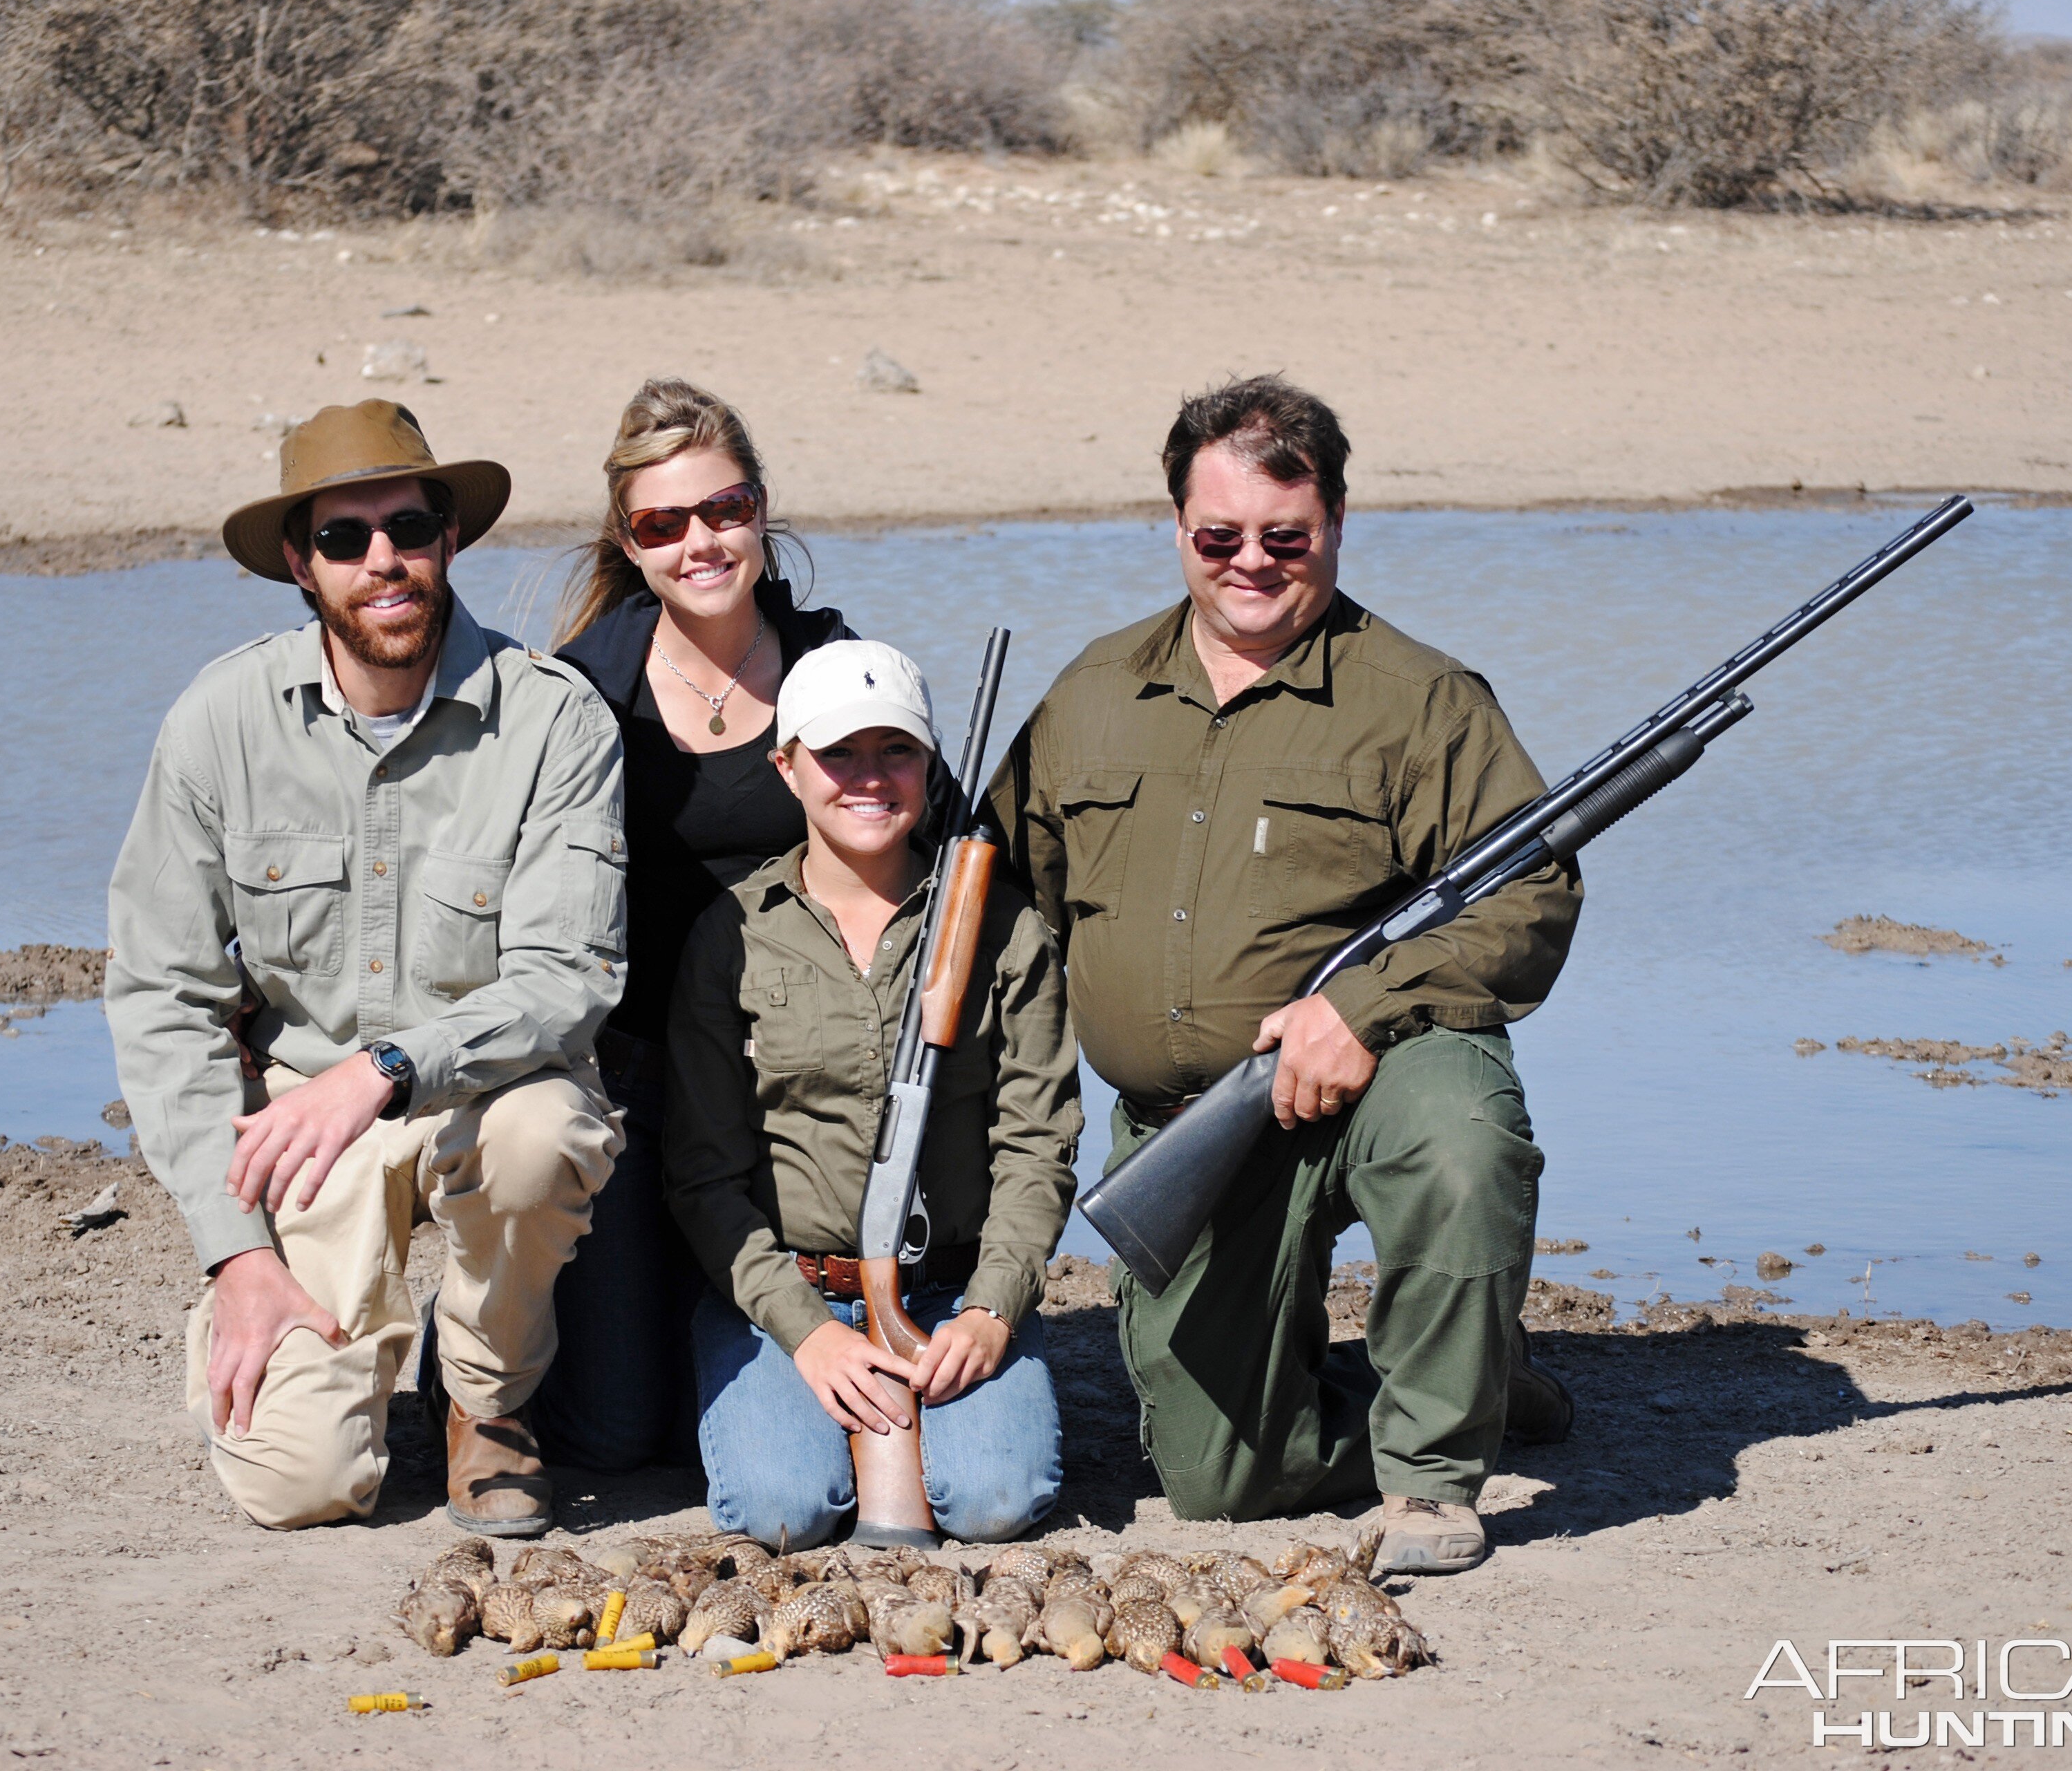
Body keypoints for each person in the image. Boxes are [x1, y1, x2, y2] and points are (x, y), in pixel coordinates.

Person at [983, 374, 1581, 1575]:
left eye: (1284, 537)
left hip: (1385, 1073)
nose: (1250, 562)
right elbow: (1007, 901)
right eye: (1219, 537)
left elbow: (1534, 894)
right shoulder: (1090, 696)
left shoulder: (1423, 701)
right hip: (1196, 1126)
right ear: (1179, 531)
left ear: (1338, 526)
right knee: (1219, 1487)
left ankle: (1430, 1483)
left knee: (1465, 1142)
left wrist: (1358, 1007)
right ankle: (1468, 1374)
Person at [107, 399, 626, 1535]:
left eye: (410, 525)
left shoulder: (558, 722)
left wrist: (388, 1068)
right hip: (299, 1121)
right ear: (300, 563)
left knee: (546, 1136)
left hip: (488, 1092)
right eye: (346, 538)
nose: (383, 559)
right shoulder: (217, 721)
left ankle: (487, 1403)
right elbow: (161, 1000)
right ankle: (306, 1340)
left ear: (452, 538)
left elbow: (565, 981)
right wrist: (234, 1254)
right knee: (304, 1490)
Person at [543, 377, 956, 1472]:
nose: (701, 542)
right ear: (628, 542)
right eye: (663, 524)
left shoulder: (838, 667)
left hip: (797, 1083)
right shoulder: (580, 692)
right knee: (625, 1435)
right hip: (631, 1082)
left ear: (762, 508)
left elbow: (950, 860)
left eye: (724, 511)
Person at [663, 640, 1079, 1549]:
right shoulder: (731, 932)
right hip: (786, 1297)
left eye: (897, 751)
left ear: (930, 765)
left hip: (950, 1288)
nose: (870, 779)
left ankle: (899, 1422)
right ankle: (855, 1425)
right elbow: (702, 1176)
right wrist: (808, 1334)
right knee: (784, 1513)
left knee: (994, 1503)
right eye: (839, 753)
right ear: (786, 765)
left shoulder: (1003, 925)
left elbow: (1038, 1148)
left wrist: (990, 1307)